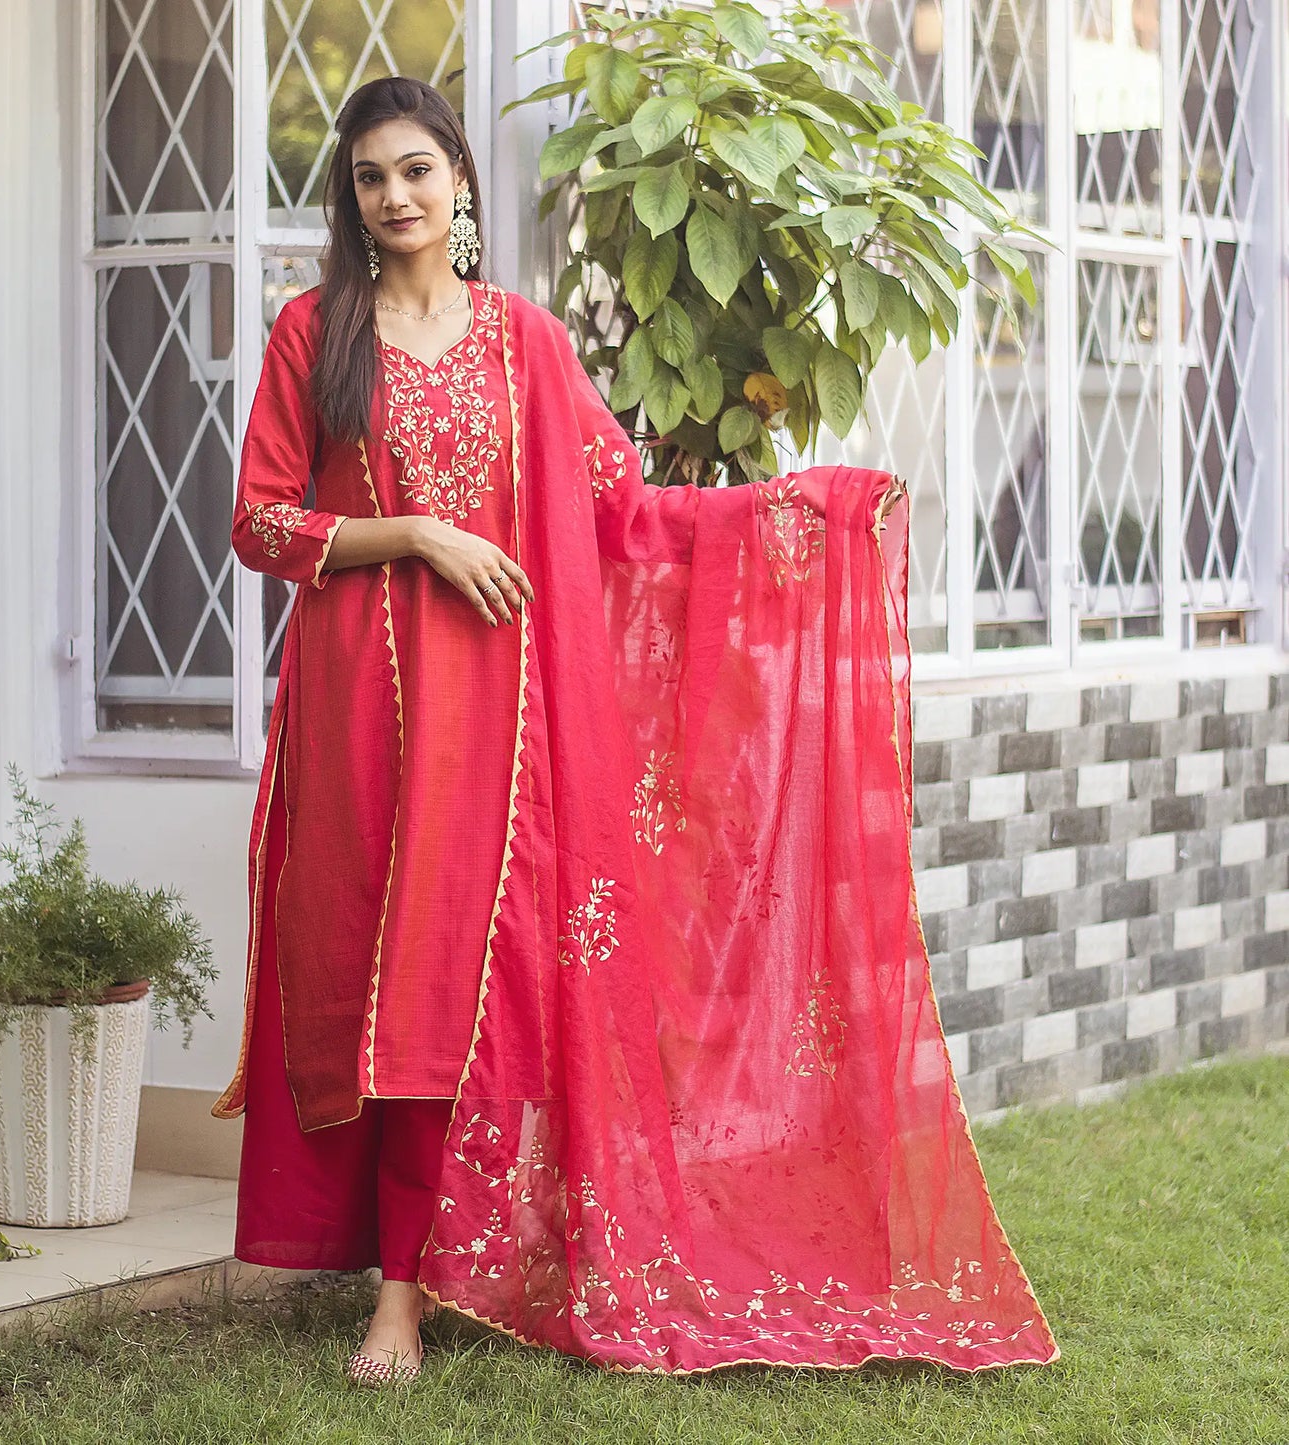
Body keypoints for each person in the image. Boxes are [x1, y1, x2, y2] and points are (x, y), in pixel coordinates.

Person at [211, 75, 1057, 1385]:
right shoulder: (314, 333)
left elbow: (622, 511)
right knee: (378, 993)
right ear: (352, 196)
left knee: (455, 995)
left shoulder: (525, 344)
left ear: (458, 184)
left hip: (499, 723)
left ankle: (411, 1290)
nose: (396, 197)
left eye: (417, 171)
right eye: (372, 177)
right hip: (360, 716)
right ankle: (395, 1276)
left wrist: (792, 520)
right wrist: (422, 536)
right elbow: (261, 521)